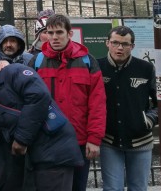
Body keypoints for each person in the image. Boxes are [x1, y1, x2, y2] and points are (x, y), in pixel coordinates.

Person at [0, 52, 84, 191]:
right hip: (30, 159)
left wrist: (22, 139)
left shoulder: (13, 71)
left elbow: (39, 96)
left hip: (53, 150)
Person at [28, 14, 106, 191]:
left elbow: (97, 103)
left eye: (59, 32)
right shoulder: (37, 61)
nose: (54, 37)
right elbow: (29, 102)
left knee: (78, 187)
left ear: (70, 34)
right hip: (46, 138)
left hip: (78, 140)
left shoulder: (88, 61)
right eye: (50, 32)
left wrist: (94, 138)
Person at [97, 26, 158, 191]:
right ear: (107, 43)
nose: (119, 48)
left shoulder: (146, 68)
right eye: (115, 43)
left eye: (125, 44)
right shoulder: (97, 67)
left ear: (132, 46)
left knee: (138, 188)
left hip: (141, 140)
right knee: (112, 188)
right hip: (109, 140)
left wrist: (148, 120)